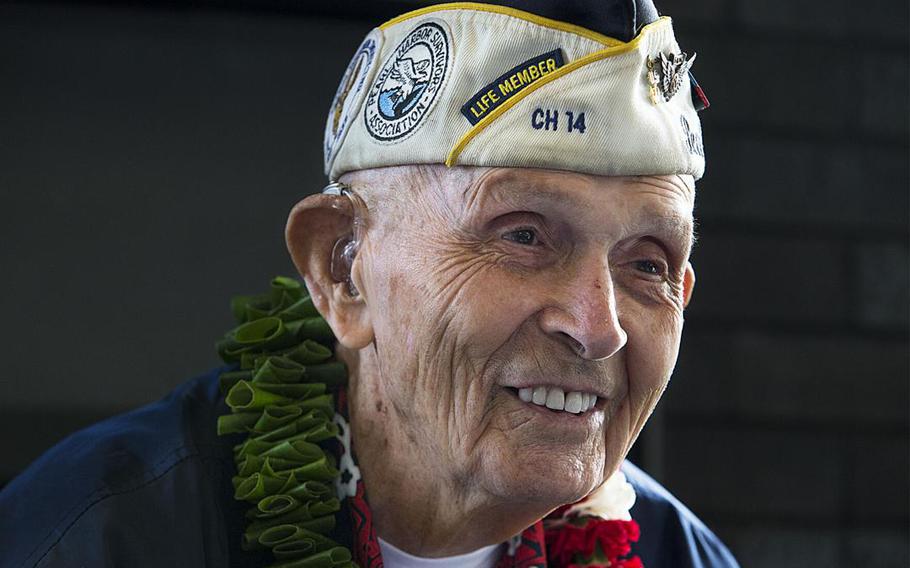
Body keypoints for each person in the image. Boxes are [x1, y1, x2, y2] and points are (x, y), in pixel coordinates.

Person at [0, 1, 738, 567]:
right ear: (343, 268)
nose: (598, 323)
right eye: (523, 236)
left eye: (647, 263)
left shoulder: (677, 554)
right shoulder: (98, 534)